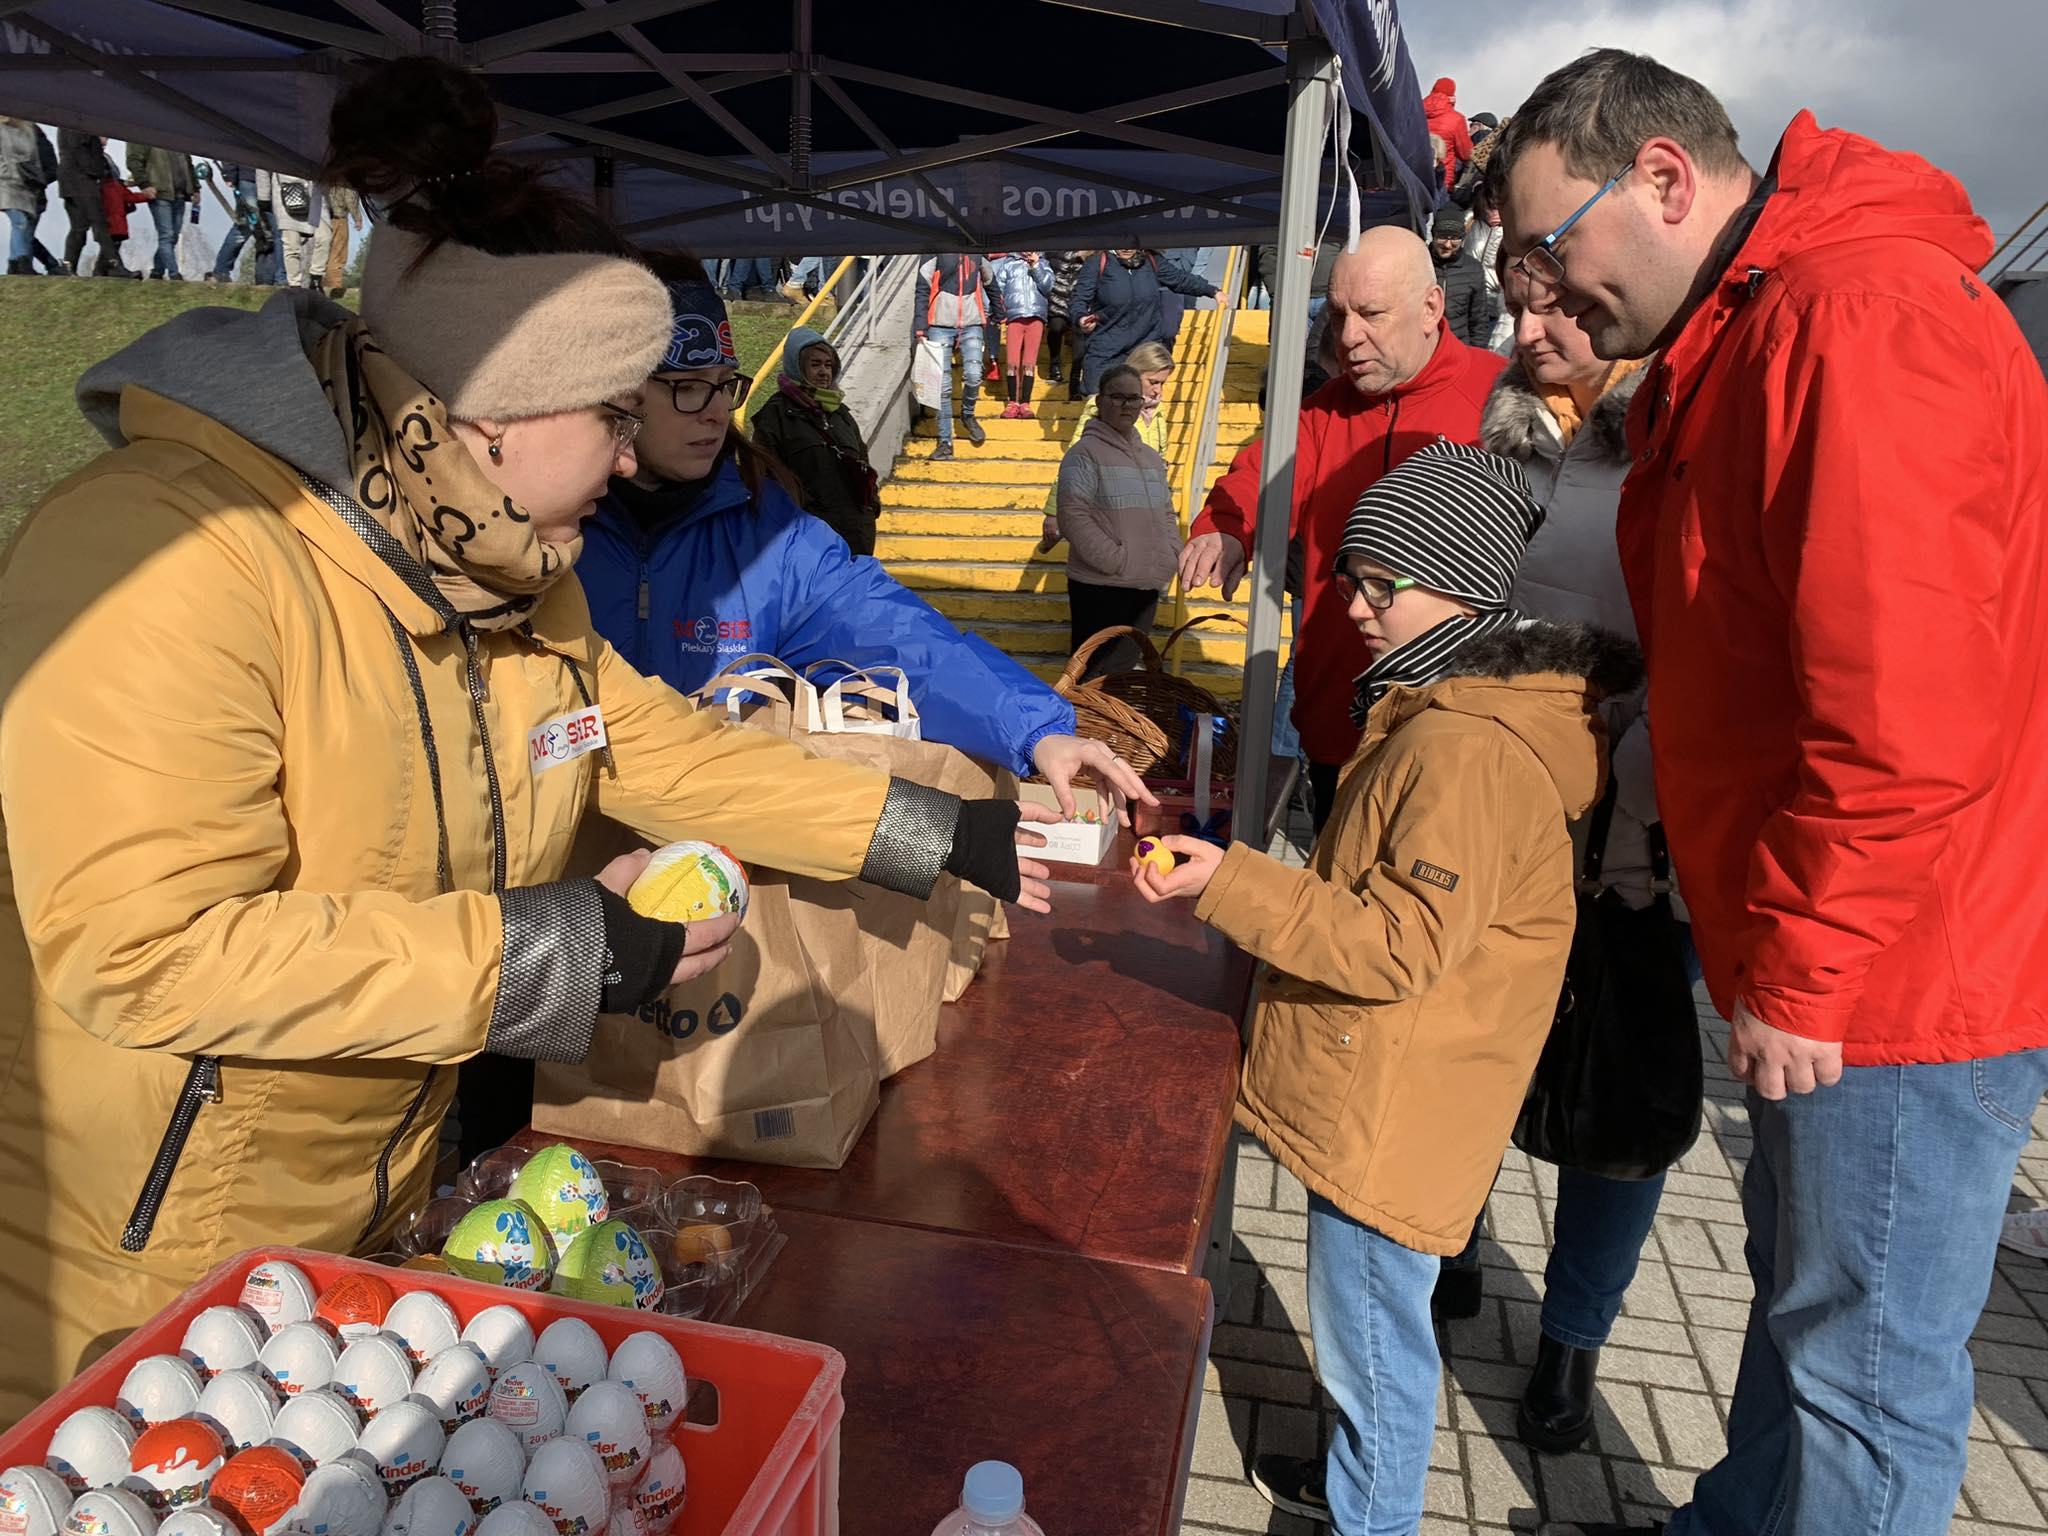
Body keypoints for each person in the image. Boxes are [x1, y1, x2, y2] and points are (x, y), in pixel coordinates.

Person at [0, 56, 1054, 1418]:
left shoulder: (497, 566)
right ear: (489, 411)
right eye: (614, 416)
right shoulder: (166, 554)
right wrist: (545, 950)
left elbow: (653, 750)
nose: (628, 461)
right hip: (135, 1281)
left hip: (353, 1230)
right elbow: (141, 949)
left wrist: (933, 827)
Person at [1490, 49, 2048, 1536]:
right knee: (1804, 1333)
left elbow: (1908, 714)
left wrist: (1801, 970)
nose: (1541, 310)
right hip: (1845, 946)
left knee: (1867, 1385)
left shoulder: (1851, 319)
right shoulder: (1763, 322)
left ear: (1663, 176)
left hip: (1892, 974)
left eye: (1551, 258)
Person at [1136, 439, 1639, 1533]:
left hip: (1391, 1112)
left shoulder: (1465, 747)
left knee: (1375, 1349)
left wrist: (1235, 884)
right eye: (1352, 577)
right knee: (1376, 1338)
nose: (1354, 605)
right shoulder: (1457, 714)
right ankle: (1368, 1483)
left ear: (1461, 583)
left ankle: (1375, 1511)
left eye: (1381, 583)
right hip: (1401, 1095)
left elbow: (1395, 944)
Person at [1480, 265, 1689, 1458]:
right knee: (1473, 1046)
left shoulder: (1676, 434)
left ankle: (1571, 1340)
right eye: (1514, 306)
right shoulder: (1502, 433)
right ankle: (1449, 1252)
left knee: (1619, 1087)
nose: (1529, 332)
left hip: (1635, 831)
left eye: (1554, 303)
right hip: (1502, 803)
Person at [1179, 229, 1504, 831]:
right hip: (1337, 732)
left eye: (1372, 314)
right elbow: (1258, 476)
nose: (1349, 336)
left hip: (1461, 734)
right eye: (1338, 315)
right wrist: (1226, 527)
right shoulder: (1321, 411)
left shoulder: (1501, 397)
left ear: (1432, 308)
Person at [1056, 365, 1183, 677]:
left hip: (1145, 582)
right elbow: (1073, 515)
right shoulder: (1084, 453)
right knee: (1092, 673)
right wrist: (1116, 560)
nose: (1127, 406)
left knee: (1123, 673)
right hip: (1101, 585)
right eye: (1118, 397)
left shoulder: (1152, 458)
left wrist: (1169, 555)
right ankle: (1083, 727)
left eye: (1134, 399)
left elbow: (1166, 512)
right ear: (1100, 402)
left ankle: (1109, 727)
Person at [748, 324, 882, 554]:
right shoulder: (775, 415)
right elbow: (767, 476)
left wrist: (871, 507)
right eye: (815, 364)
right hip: (807, 540)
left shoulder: (842, 415)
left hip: (855, 538)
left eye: (828, 365)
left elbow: (863, 463)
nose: (823, 372)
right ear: (797, 367)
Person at [1068, 248, 1217, 394]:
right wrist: (1081, 318)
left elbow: (1180, 279)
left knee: (1142, 404)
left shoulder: (1151, 260)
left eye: (1131, 244)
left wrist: (1212, 291)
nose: (1126, 248)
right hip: (1107, 348)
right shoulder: (1097, 262)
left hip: (1144, 347)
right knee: (1099, 402)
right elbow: (1079, 298)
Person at [914, 252, 996, 460]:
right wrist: (920, 325)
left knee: (974, 375)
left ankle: (967, 414)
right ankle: (945, 442)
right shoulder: (934, 250)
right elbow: (922, 287)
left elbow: (990, 280)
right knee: (943, 387)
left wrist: (1000, 310)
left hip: (972, 323)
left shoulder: (977, 251)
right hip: (939, 324)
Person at [989, 250, 1053, 417]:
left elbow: (1047, 287)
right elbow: (998, 289)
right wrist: (998, 311)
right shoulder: (1008, 264)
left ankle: (1025, 402)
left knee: (1029, 362)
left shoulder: (1044, 263)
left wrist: (1036, 266)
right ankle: (1012, 402)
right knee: (1012, 361)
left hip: (1035, 316)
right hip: (1014, 317)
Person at [125, 141, 196, 280]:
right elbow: (134, 160)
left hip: (180, 193)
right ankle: (174, 273)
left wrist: (195, 187)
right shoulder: (142, 132)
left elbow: (188, 163)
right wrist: (144, 184)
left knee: (173, 236)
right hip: (160, 193)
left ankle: (157, 271)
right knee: (167, 235)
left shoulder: (177, 134)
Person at [1431, 204, 1495, 347]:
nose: (1447, 245)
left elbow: (1478, 321)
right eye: (1442, 237)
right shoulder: (1420, 263)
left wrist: (1477, 355)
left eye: (1454, 239)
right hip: (1424, 350)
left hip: (1458, 348)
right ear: (1433, 235)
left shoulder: (1473, 269)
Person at [57, 129, 112, 276]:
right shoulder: (78, 124)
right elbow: (79, 150)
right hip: (81, 179)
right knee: (98, 222)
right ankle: (113, 263)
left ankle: (68, 266)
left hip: (73, 179)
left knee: (79, 226)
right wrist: (96, 170)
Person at [207, 161, 271, 284]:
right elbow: (232, 149)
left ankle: (265, 278)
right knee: (246, 226)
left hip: (265, 179)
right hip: (248, 177)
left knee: (267, 231)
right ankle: (221, 270)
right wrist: (229, 173)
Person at [96, 157, 151, 280]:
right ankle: (115, 269)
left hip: (109, 223)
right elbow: (131, 197)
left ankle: (100, 270)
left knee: (109, 248)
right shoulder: (115, 186)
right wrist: (148, 196)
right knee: (112, 248)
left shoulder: (100, 187)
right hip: (116, 223)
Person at [1045, 250, 1091, 395]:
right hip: (1057, 298)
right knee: (1056, 328)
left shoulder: (1091, 251)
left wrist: (1086, 257)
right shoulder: (1053, 249)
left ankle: (1075, 381)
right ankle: (1054, 364)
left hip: (1079, 300)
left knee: (1079, 334)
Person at [0, 116, 38, 275]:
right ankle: (21, 261)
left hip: (24, 184)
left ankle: (15, 262)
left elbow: (33, 158)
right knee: (20, 221)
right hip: (5, 183)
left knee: (24, 223)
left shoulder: (27, 131)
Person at [1423, 77, 1474, 192]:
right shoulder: (1456, 119)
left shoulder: (1416, 111)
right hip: (1442, 181)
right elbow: (1466, 154)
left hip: (1415, 177)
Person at [312, 182, 364, 297]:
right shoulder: (345, 178)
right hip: (339, 218)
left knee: (325, 253)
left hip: (322, 216)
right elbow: (350, 198)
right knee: (338, 254)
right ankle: (334, 285)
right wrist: (358, 218)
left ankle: (323, 282)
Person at [271, 171, 320, 288]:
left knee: (321, 240)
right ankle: (294, 284)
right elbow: (262, 168)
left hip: (311, 195)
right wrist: (263, 196)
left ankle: (316, 280)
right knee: (291, 245)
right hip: (284, 196)